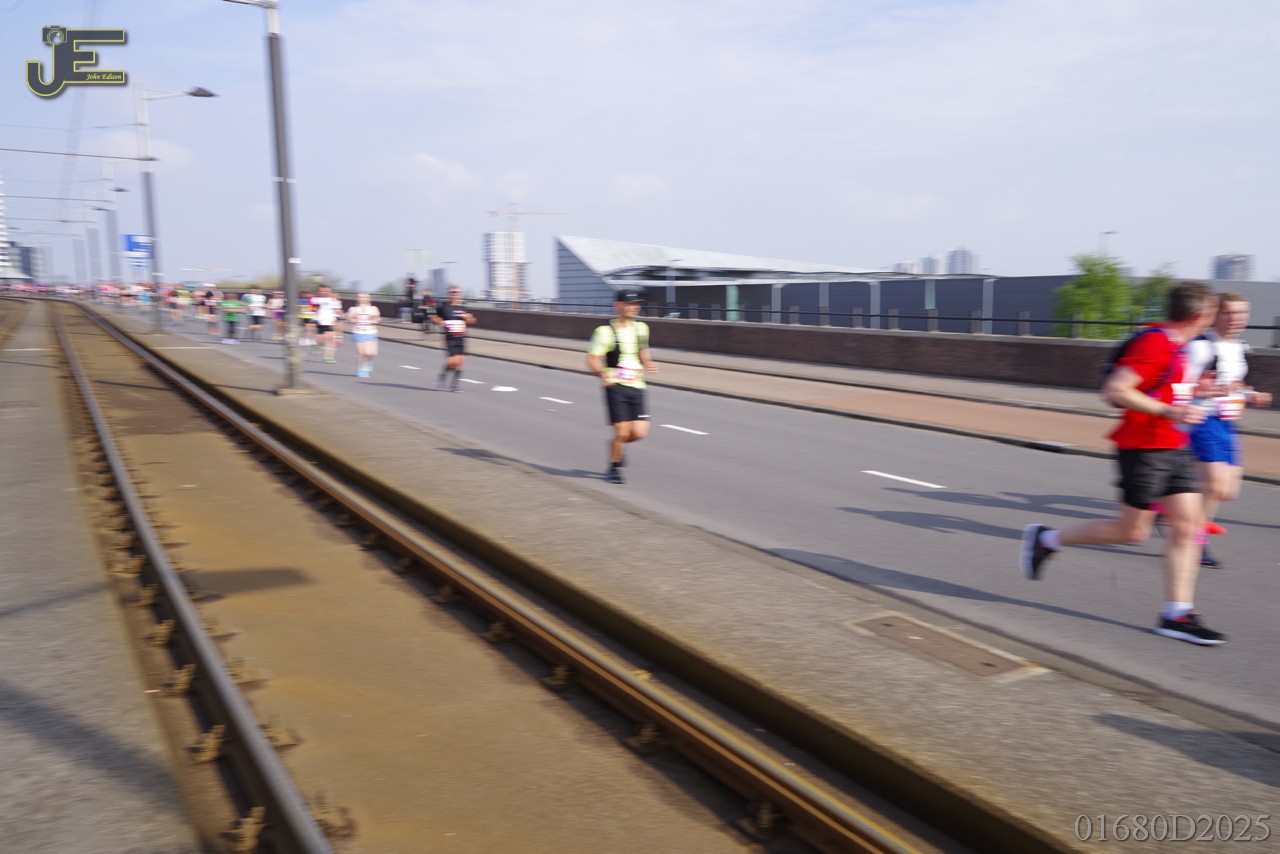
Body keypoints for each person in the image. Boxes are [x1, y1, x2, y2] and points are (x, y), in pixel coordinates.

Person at [1020, 282, 1226, 645]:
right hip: (1143, 449)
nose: (1214, 320)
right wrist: (1170, 411)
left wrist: (1196, 394)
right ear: (1198, 315)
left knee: (1188, 526)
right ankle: (1047, 539)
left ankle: (1177, 614)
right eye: (1212, 314)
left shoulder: (1178, 347)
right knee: (1132, 532)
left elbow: (1161, 388)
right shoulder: (1156, 342)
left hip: (1174, 446)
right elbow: (1115, 390)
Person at [1181, 292, 1273, 568]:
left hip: (1227, 422)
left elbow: (1235, 385)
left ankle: (1174, 500)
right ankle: (1195, 542)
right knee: (1215, 486)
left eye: (1241, 313)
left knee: (1228, 491)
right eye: (1229, 312)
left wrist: (1250, 394)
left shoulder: (1238, 347)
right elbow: (1177, 389)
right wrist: (1210, 390)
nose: (1236, 318)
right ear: (1215, 315)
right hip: (1202, 420)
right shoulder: (1200, 347)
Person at [586, 288, 658, 484]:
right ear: (618, 305)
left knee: (640, 432)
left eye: (637, 304)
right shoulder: (604, 332)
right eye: (630, 304)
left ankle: (616, 446)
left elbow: (643, 351)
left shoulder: (642, 328)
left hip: (637, 384)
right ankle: (614, 468)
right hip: (615, 385)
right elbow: (593, 359)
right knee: (622, 431)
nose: (635, 307)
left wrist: (648, 362)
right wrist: (601, 373)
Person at [433, 288, 475, 391]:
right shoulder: (444, 307)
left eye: (456, 293)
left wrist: (469, 318)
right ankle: (443, 376)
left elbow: (472, 320)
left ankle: (455, 386)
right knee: (453, 362)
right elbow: (434, 317)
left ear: (459, 295)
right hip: (450, 338)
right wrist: (440, 321)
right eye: (452, 293)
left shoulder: (463, 308)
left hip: (461, 337)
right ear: (449, 295)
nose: (454, 295)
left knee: (460, 363)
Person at [346, 292, 381, 378]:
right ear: (357, 299)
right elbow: (350, 318)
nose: (362, 299)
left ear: (369, 299)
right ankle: (361, 369)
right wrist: (354, 320)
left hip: (371, 332)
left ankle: (369, 362)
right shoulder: (353, 309)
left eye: (365, 297)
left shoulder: (373, 309)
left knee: (372, 353)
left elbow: (378, 318)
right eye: (360, 297)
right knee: (362, 353)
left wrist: (374, 320)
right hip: (358, 332)